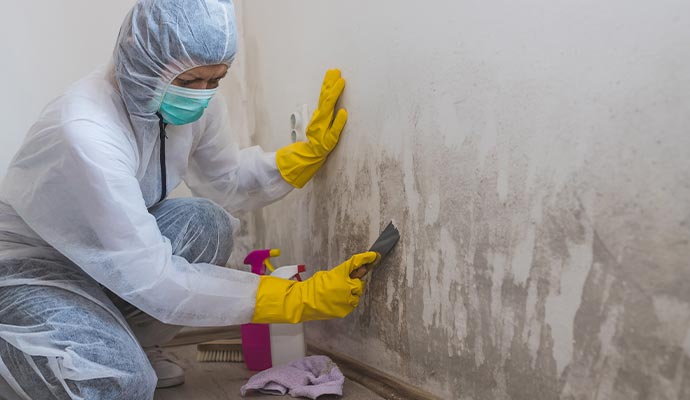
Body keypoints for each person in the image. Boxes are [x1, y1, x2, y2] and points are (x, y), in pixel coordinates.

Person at [0, 0, 377, 398]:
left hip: (104, 261)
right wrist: (294, 297)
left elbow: (226, 179)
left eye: (216, 79)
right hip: (34, 268)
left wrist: (298, 159)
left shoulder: (192, 101)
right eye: (190, 81)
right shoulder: (86, 129)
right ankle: (18, 347)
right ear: (142, 58)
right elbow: (153, 278)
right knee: (120, 383)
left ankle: (129, 344)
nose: (203, 94)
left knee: (207, 223)